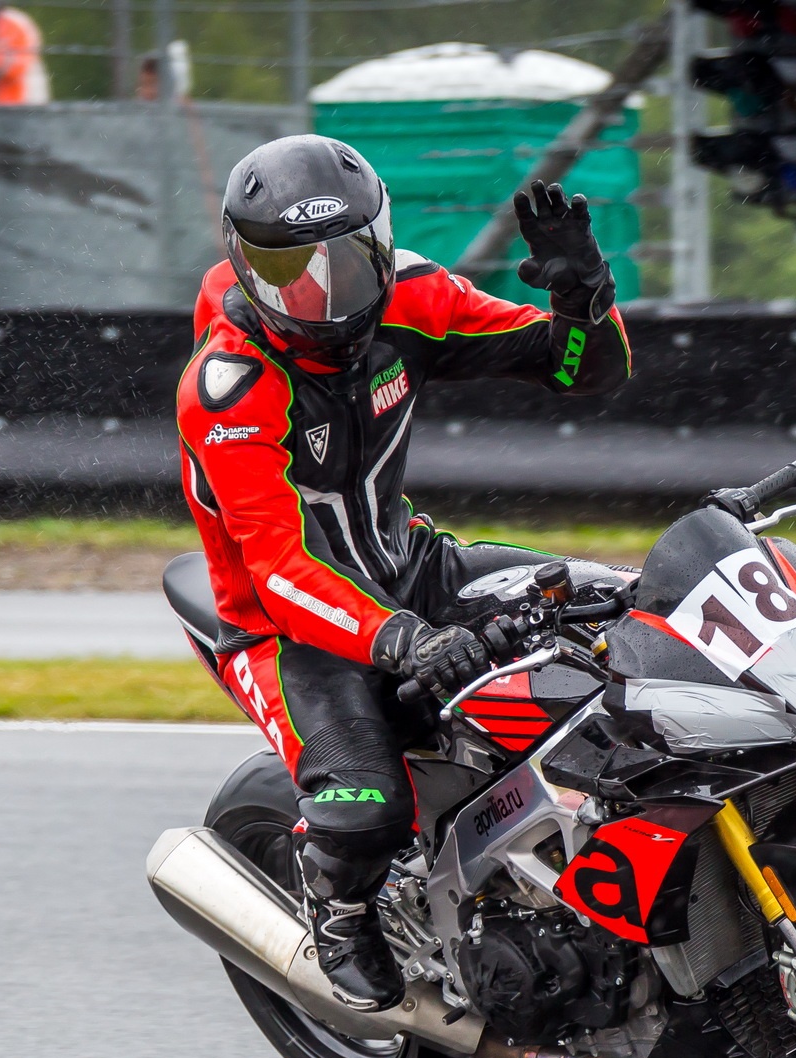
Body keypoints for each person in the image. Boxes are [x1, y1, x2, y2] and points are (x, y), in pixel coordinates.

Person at [176, 135, 630, 1011]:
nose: (320, 295)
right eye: (288, 272)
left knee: (621, 603)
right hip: (285, 633)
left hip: (412, 566)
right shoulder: (228, 387)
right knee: (367, 808)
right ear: (244, 265)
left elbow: (579, 371)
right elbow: (279, 567)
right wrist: (405, 641)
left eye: (343, 263)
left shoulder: (417, 296)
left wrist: (584, 295)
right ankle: (337, 905)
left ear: (381, 244)